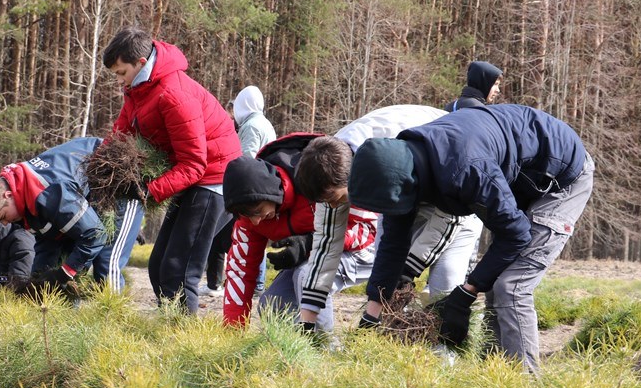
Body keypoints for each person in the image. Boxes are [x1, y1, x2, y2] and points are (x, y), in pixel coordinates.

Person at [347, 104, 594, 373]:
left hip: (563, 176)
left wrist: (467, 292)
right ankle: (494, 377)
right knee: (497, 281)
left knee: (510, 286)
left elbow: (516, 234)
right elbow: (394, 244)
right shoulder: (399, 166)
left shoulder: (465, 170)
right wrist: (374, 312)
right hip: (523, 174)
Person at [293, 105, 484, 335]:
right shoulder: (328, 164)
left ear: (352, 178)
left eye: (334, 198)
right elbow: (327, 243)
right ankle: (386, 340)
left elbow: (449, 218)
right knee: (388, 273)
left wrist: (409, 268)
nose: (333, 206)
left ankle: (445, 357)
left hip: (453, 184)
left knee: (445, 278)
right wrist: (307, 322)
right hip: (402, 187)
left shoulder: (380, 158)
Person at [103, 27, 241, 314]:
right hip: (192, 179)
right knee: (158, 267)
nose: (118, 80)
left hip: (215, 180)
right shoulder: (138, 90)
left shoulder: (173, 95)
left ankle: (186, 344)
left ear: (141, 63)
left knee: (178, 271)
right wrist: (99, 167)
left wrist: (147, 190)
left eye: (121, 72)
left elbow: (194, 164)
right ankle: (171, 329)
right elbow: (120, 133)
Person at [222, 134, 377, 334]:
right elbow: (240, 272)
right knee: (273, 304)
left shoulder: (317, 184)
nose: (256, 221)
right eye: (249, 216)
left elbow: (370, 228)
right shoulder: (248, 220)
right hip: (316, 254)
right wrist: (233, 332)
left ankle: (326, 350)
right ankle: (297, 354)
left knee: (307, 277)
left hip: (364, 249)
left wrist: (311, 243)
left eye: (260, 211)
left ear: (269, 191)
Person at [0, 137, 144, 292]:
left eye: (2, 217)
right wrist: (37, 280)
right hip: (85, 198)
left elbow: (95, 235)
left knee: (106, 263)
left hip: (120, 182)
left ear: (8, 196)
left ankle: (112, 326)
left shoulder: (50, 194)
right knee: (51, 276)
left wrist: (65, 272)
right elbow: (48, 241)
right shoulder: (23, 198)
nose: (4, 224)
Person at [203, 85, 278, 296]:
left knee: (250, 237)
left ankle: (255, 284)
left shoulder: (252, 126)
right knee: (248, 237)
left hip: (252, 189)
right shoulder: (263, 123)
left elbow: (245, 159)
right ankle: (253, 283)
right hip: (261, 187)